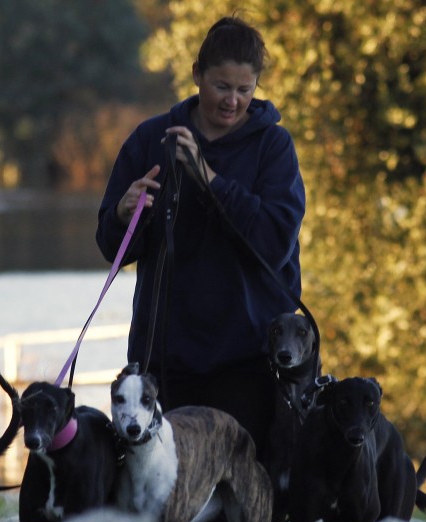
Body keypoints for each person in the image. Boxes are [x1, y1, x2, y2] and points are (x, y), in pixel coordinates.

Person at [95, 15, 305, 468]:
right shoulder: (151, 139)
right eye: (221, 86)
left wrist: (209, 180)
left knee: (230, 509)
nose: (232, 101)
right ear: (196, 75)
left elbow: (274, 244)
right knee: (163, 502)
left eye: (244, 90)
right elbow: (113, 249)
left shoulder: (273, 147)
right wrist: (122, 214)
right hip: (165, 359)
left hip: (247, 360)